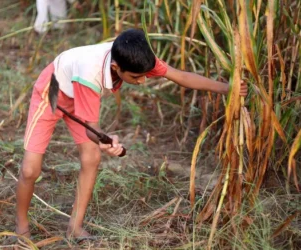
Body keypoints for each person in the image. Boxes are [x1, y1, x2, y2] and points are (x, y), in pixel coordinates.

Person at [15, 28, 248, 240]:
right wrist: (107, 139)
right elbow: (91, 128)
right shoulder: (90, 72)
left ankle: (74, 228)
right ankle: (21, 229)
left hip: (82, 100)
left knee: (92, 158)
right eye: (136, 78)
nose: (143, 81)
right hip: (53, 94)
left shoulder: (138, 58)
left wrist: (228, 89)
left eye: (146, 75)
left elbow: (182, 77)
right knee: (30, 169)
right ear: (117, 68)